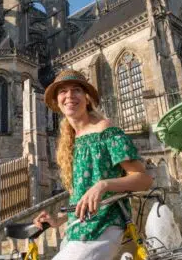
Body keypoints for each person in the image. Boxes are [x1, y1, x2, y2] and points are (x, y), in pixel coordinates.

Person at [32, 69, 153, 260]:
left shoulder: (106, 130)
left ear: (87, 98)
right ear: (57, 102)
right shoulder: (69, 142)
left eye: (76, 90)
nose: (69, 95)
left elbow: (144, 179)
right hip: (75, 232)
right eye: (63, 91)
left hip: (104, 228)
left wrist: (104, 185)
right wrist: (57, 219)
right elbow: (82, 199)